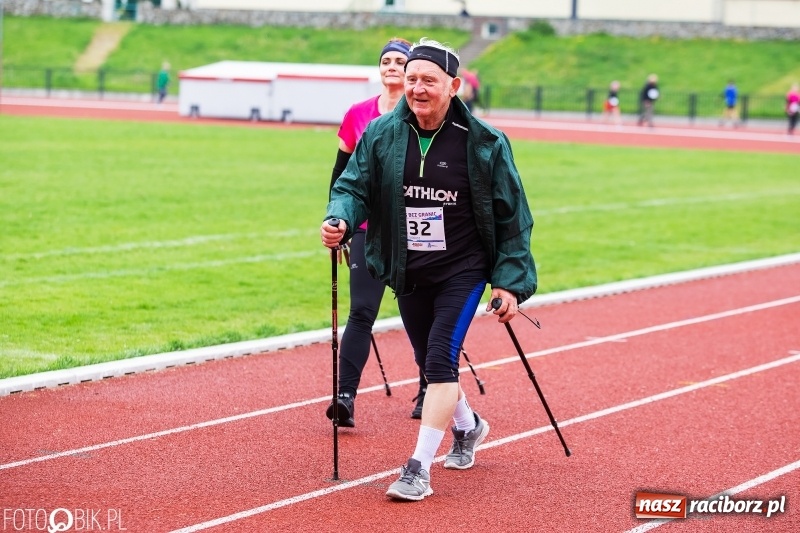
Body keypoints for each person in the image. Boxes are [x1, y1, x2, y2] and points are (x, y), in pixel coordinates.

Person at [320, 37, 537, 501]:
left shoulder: (484, 143)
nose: (416, 88)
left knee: (439, 360)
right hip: (408, 265)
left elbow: (512, 216)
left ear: (454, 85)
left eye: (428, 80)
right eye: (412, 78)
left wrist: (510, 283)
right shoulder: (381, 134)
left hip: (463, 267)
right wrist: (339, 215)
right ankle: (470, 426)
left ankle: (418, 469)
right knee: (430, 361)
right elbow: (352, 184)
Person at [325, 37, 429, 427]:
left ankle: (428, 388)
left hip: (414, 228)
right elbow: (341, 177)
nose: (391, 66)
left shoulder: (422, 112)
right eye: (385, 60)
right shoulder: (357, 114)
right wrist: (338, 221)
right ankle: (345, 396)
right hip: (367, 228)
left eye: (399, 61)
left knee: (421, 314)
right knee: (362, 311)